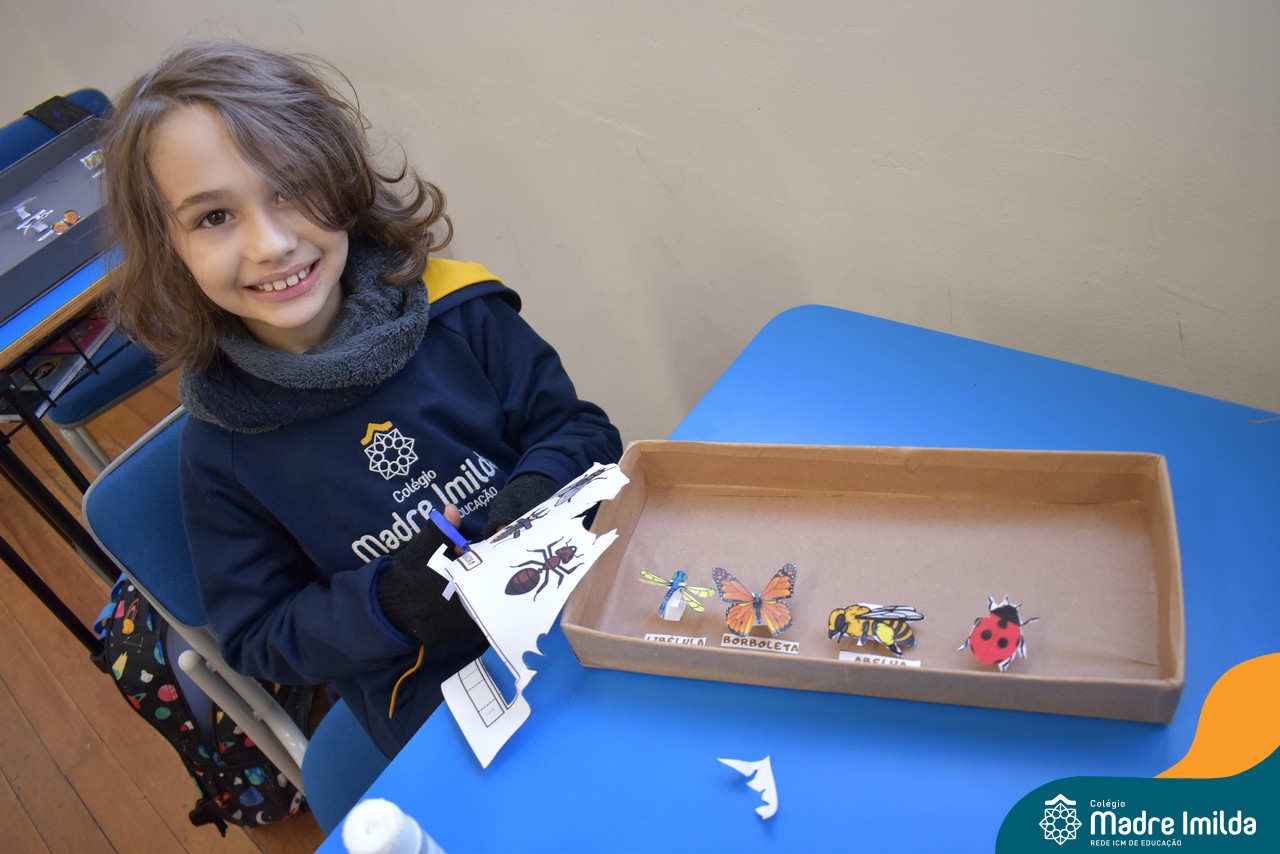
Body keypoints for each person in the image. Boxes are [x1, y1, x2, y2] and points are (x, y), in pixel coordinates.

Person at [101, 39, 622, 757]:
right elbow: (258, 637)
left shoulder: (461, 309)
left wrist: (532, 500)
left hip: (580, 604)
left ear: (341, 178)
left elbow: (580, 431)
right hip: (441, 696)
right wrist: (391, 604)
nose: (270, 244)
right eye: (213, 217)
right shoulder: (220, 451)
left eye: (289, 186)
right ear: (169, 251)